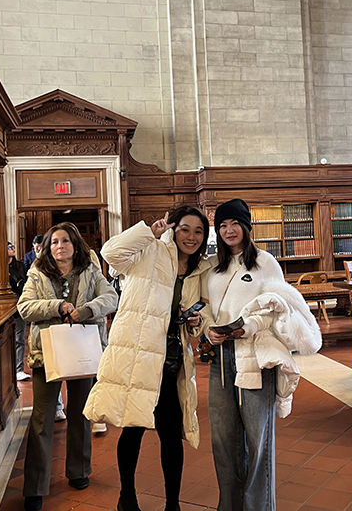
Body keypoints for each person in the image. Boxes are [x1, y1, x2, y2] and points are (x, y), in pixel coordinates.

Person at [85, 206, 212, 511]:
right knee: (133, 426)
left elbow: (205, 310)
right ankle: (126, 495)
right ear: (173, 228)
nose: (191, 237)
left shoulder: (202, 269)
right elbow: (111, 253)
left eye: (198, 231)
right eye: (185, 229)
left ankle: (172, 503)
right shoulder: (150, 251)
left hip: (172, 360)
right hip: (139, 355)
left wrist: (198, 321)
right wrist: (148, 232)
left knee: (171, 434)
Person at [202, 199, 321, 511]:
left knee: (259, 443)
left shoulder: (265, 263)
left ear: (246, 226)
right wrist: (208, 332)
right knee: (224, 444)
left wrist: (250, 326)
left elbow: (279, 309)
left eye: (234, 223)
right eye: (223, 225)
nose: (229, 230)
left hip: (255, 358)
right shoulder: (212, 268)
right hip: (221, 362)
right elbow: (207, 313)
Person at [17, 222, 117, 511]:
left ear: (75, 245)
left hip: (83, 349)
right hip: (46, 353)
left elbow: (111, 298)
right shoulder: (37, 273)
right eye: (54, 242)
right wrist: (58, 307)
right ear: (48, 248)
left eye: (65, 241)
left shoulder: (90, 271)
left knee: (80, 412)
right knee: (42, 418)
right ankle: (35, 486)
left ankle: (79, 470)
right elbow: (25, 307)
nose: (60, 246)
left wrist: (85, 310)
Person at [8, 242, 29, 381]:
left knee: (20, 338)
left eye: (13, 247)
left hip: (20, 304)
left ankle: (19, 369)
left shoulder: (20, 266)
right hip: (6, 307)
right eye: (9, 247)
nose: (12, 249)